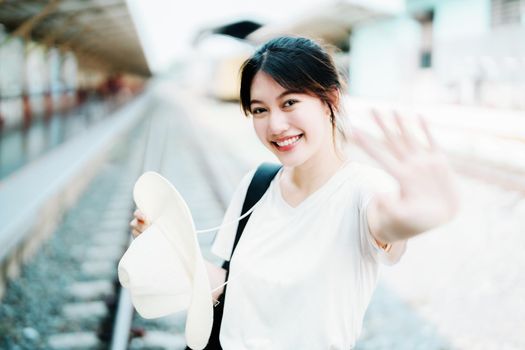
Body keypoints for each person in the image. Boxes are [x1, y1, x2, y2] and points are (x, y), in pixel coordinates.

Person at [130, 36, 459, 349]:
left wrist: (416, 218)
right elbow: (227, 289)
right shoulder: (257, 185)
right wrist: (172, 246)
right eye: (260, 110)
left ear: (330, 100)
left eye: (289, 103)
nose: (275, 125)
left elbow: (389, 224)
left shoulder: (363, 191)